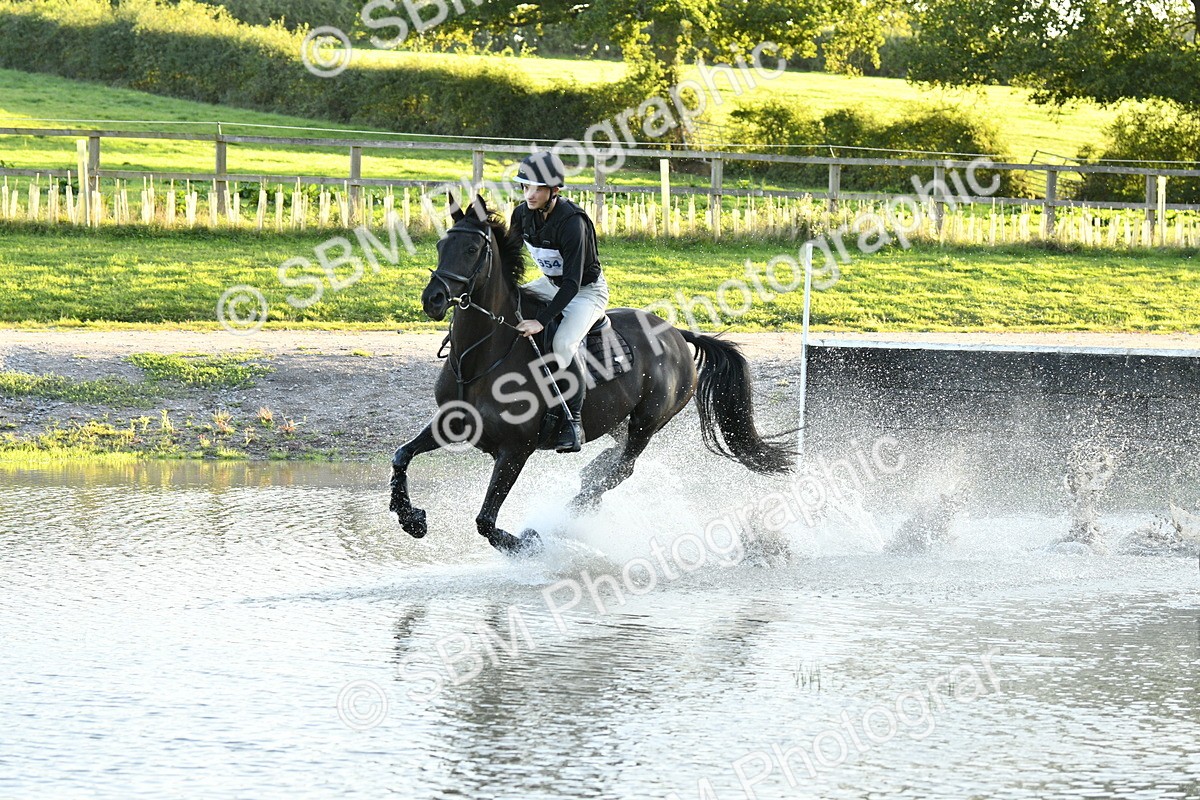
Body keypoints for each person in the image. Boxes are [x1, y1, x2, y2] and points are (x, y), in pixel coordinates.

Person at [510, 151, 609, 453]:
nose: (530, 194)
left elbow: (572, 283)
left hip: (585, 291)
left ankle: (573, 420)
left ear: (554, 191)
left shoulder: (572, 223)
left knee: (563, 343)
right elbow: (509, 256)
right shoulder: (521, 214)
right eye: (526, 187)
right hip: (550, 284)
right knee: (507, 306)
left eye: (538, 188)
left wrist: (541, 320)